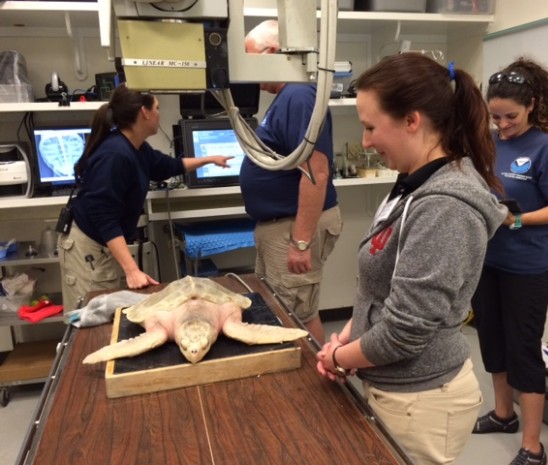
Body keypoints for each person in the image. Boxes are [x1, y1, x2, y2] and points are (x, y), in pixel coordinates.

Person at [315, 53, 508, 465]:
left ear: (411, 120)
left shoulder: (444, 207)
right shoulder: (412, 184)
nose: (365, 141)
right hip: (394, 387)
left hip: (421, 400)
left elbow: (404, 331)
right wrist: (350, 334)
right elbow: (381, 289)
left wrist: (336, 358)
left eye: (370, 127)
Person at [471, 57, 548, 465]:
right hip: (487, 261)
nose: (502, 124)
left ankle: (533, 446)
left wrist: (514, 219)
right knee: (491, 341)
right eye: (495, 116)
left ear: (531, 104)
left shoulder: (546, 148)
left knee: (523, 350)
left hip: (526, 268)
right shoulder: (489, 141)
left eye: (510, 116)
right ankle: (503, 414)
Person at [58, 84, 232, 312]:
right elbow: (104, 216)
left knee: (109, 309)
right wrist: (132, 270)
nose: (159, 113)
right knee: (92, 317)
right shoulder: (115, 155)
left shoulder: (136, 148)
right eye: (157, 108)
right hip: (87, 245)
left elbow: (166, 166)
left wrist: (209, 159)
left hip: (101, 242)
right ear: (144, 112)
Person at [240, 20, 343, 345]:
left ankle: (317, 386)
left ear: (272, 53)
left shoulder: (298, 95)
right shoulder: (286, 97)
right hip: (281, 225)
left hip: (293, 227)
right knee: (282, 308)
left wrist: (300, 241)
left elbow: (317, 173)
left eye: (249, 61)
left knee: (296, 312)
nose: (246, 73)